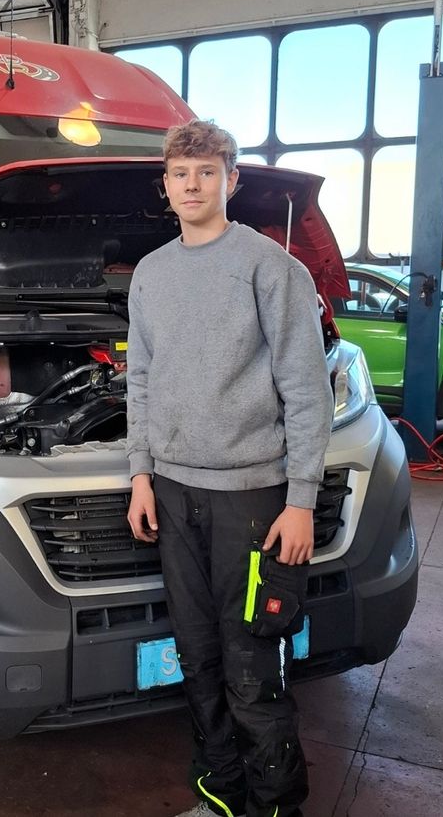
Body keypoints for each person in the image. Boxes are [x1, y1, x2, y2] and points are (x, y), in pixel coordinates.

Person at [125, 119, 333, 817]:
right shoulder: (151, 274)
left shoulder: (271, 268)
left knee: (252, 666)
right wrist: (140, 475)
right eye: (181, 174)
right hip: (174, 495)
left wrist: (300, 500)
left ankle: (277, 806)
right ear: (165, 184)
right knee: (197, 655)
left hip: (252, 499)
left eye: (207, 172)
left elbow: (307, 391)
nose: (192, 184)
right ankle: (223, 790)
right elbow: (142, 381)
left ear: (231, 181)